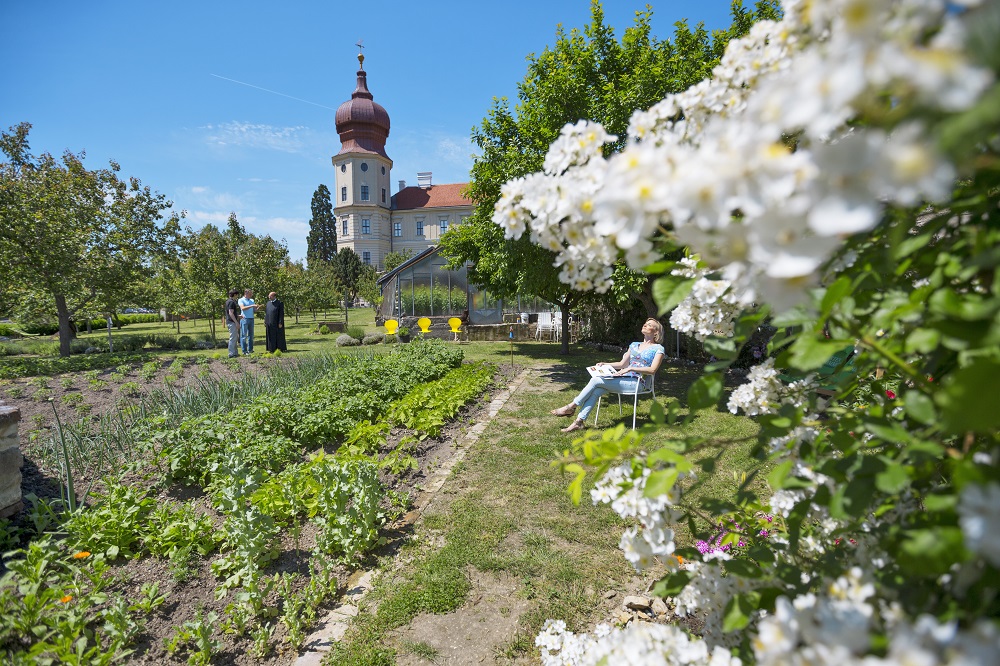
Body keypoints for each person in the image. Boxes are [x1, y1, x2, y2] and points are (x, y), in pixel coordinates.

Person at [551, 318, 666, 432]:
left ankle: (571, 407)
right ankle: (578, 422)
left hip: (638, 383)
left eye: (649, 325)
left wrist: (630, 368)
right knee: (596, 391)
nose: (645, 325)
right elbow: (622, 364)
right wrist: (605, 364)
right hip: (622, 378)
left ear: (656, 332)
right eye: (645, 323)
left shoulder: (658, 349)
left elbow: (653, 370)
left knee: (596, 381)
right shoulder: (634, 345)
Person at [238, 289, 261, 355]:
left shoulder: (252, 300)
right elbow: (243, 308)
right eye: (250, 294)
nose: (251, 295)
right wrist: (252, 306)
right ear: (246, 293)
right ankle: (244, 351)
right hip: (244, 319)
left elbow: (254, 310)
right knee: (244, 335)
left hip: (251, 318)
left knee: (251, 335)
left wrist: (257, 308)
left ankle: (250, 349)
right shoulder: (241, 300)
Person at [223, 288, 242, 358]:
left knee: (235, 337)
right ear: (235, 294)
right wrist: (236, 322)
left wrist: (238, 316)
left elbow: (231, 313)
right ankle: (231, 353)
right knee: (233, 337)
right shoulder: (231, 302)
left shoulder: (229, 301)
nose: (237, 296)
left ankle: (235, 353)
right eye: (237, 295)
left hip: (231, 321)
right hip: (231, 322)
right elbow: (230, 313)